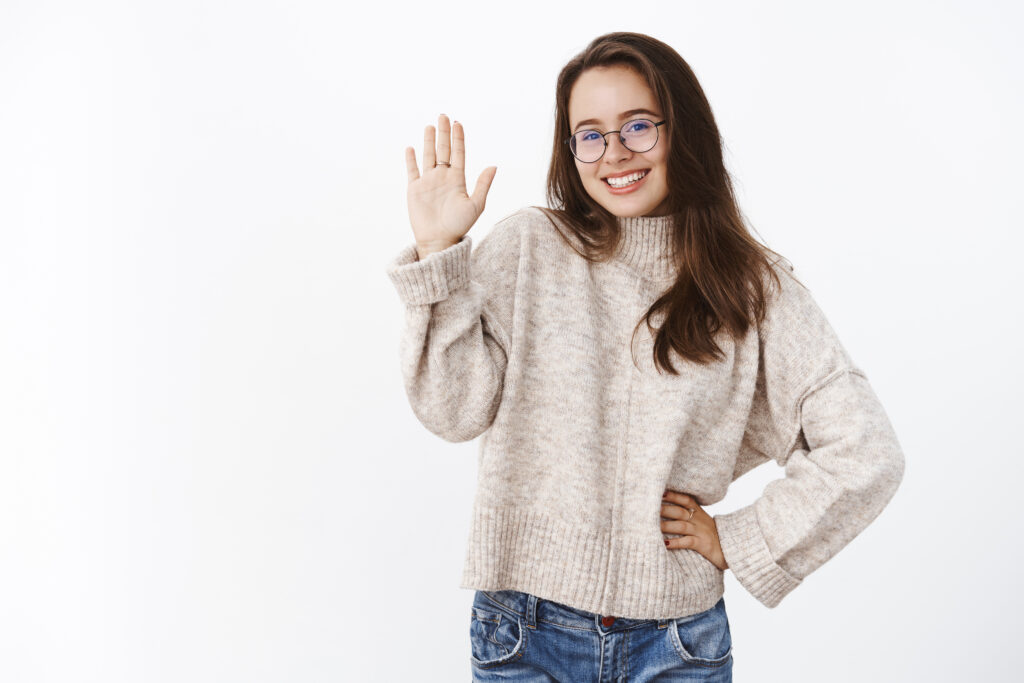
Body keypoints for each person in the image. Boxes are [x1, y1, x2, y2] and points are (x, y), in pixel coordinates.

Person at [385, 31, 904, 683]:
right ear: (569, 148)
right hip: (523, 632)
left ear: (681, 128)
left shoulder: (751, 286)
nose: (614, 154)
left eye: (637, 126)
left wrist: (740, 539)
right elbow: (452, 410)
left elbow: (867, 450)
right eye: (590, 134)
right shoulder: (528, 247)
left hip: (676, 641)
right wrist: (439, 252)